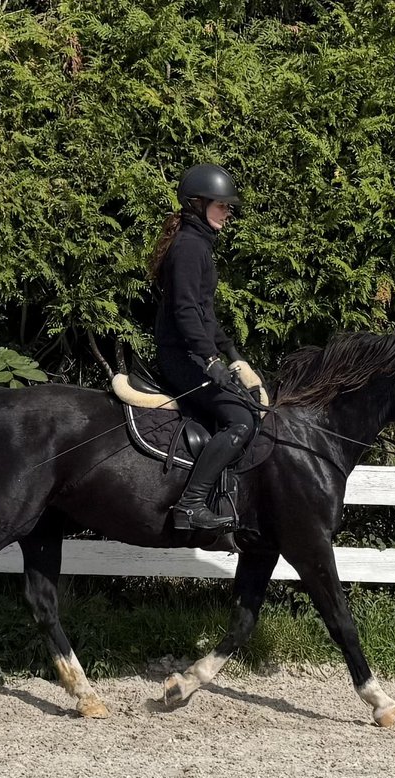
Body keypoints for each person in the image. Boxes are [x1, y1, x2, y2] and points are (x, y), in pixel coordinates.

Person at [148, 163, 258, 531]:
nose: (228, 213)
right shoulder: (189, 247)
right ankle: (191, 506)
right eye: (222, 205)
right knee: (241, 420)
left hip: (194, 353)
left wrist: (232, 354)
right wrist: (211, 360)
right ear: (197, 204)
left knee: (249, 404)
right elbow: (184, 311)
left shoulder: (198, 245)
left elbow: (204, 314)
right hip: (181, 357)